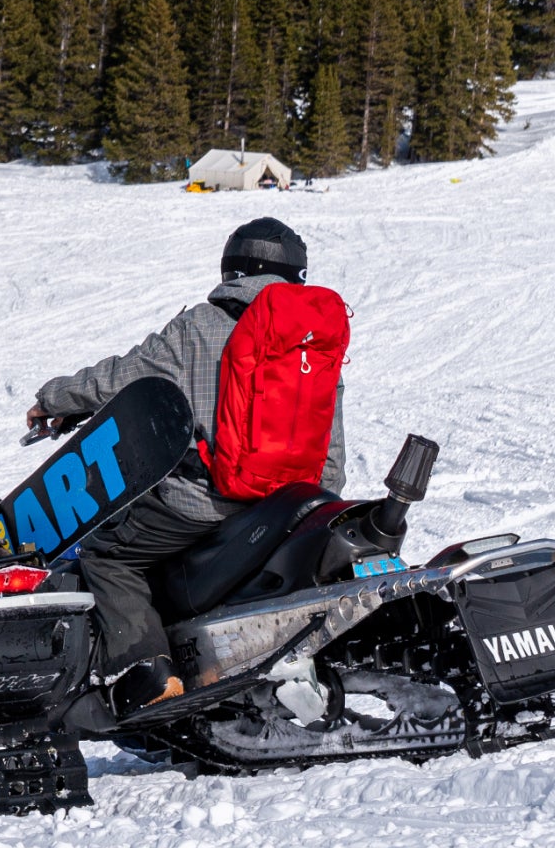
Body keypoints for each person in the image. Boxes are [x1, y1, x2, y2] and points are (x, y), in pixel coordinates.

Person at [26, 218, 345, 716]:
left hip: (209, 501)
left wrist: (53, 398)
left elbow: (119, 379)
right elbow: (331, 437)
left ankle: (146, 672)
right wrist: (316, 500)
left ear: (232, 267)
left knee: (108, 553)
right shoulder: (311, 337)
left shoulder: (201, 325)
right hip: (294, 503)